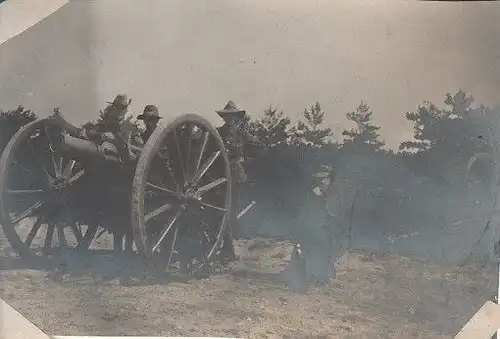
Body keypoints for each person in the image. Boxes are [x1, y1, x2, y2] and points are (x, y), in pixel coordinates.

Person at [215, 100, 265, 263]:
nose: (229, 119)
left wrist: (244, 163)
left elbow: (258, 149)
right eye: (227, 116)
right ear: (224, 118)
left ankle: (227, 249)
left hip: (236, 177)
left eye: (232, 116)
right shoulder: (217, 133)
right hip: (218, 176)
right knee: (222, 211)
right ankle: (226, 249)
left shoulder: (242, 134)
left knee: (230, 213)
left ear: (236, 117)